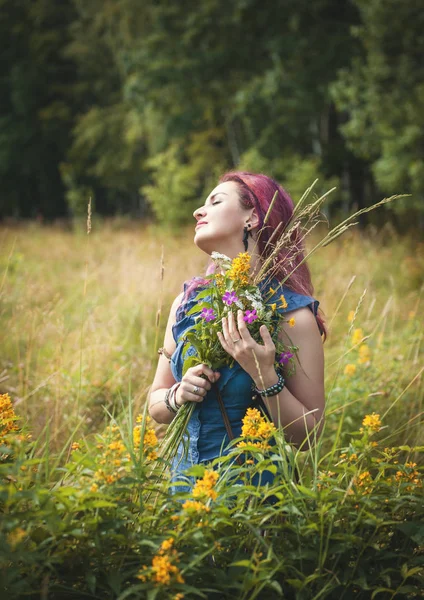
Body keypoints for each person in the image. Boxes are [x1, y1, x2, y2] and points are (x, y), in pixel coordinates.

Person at [148, 172, 326, 494]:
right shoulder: (186, 304)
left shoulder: (291, 315)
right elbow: (155, 403)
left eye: (215, 201)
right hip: (185, 500)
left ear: (252, 217)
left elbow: (309, 438)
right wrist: (178, 395)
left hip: (252, 504)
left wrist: (265, 375)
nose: (198, 212)